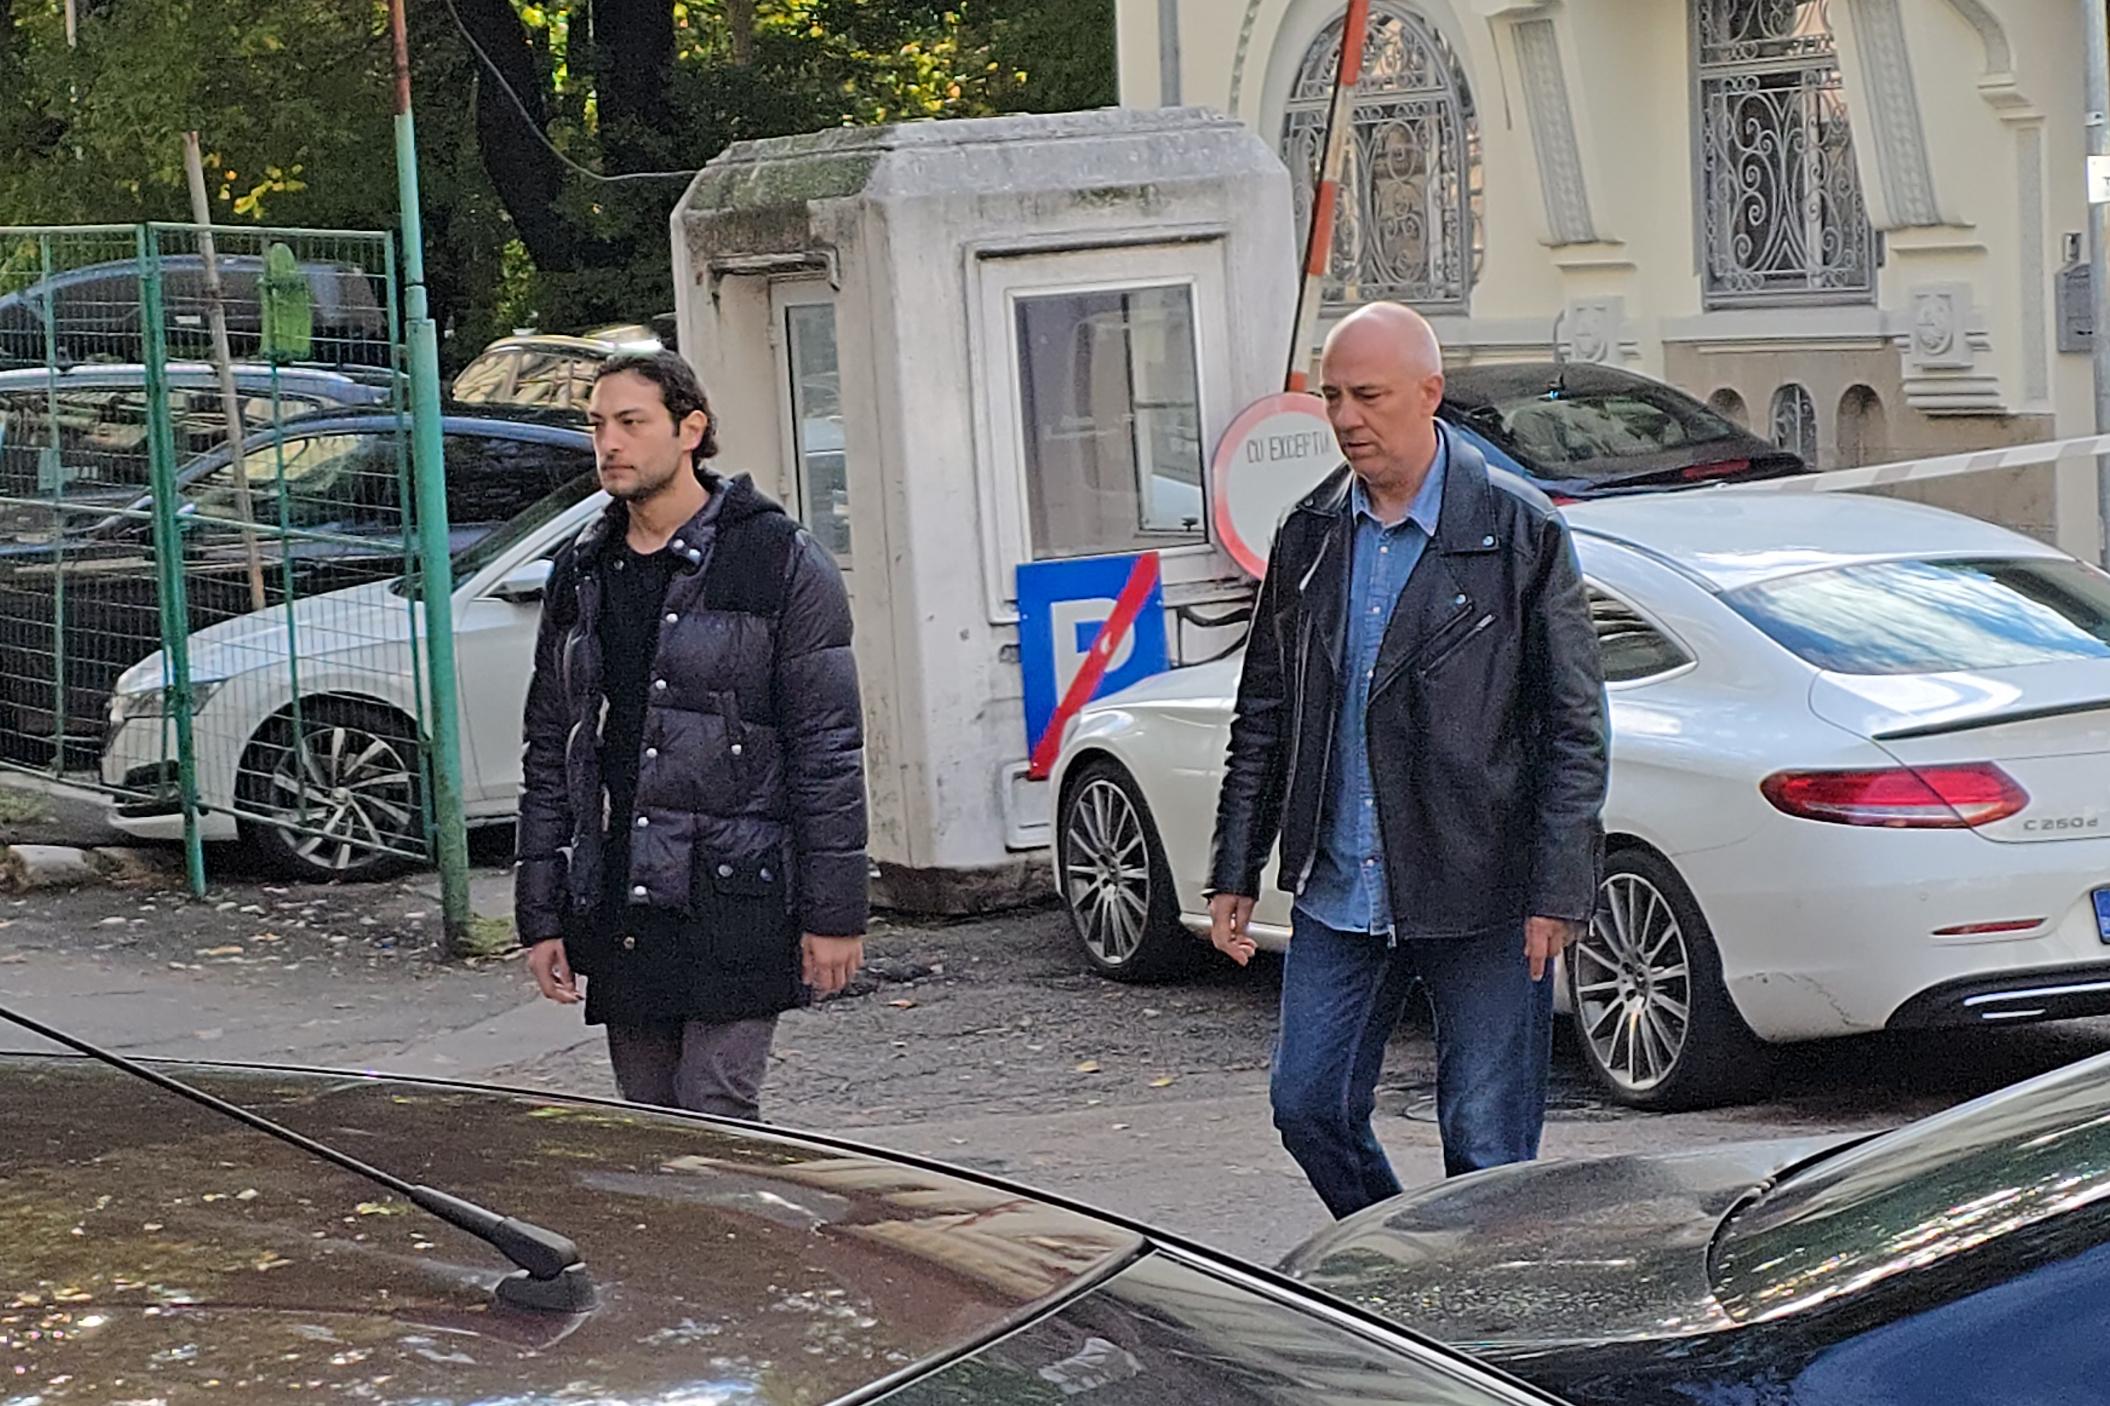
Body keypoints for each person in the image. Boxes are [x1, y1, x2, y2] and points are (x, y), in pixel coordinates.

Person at [1207, 303, 1606, 1218]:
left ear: (1429, 393)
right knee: (1308, 1106)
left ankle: (1476, 1299)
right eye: (1332, 397)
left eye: (1369, 396)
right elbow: (1264, 709)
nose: (1346, 418)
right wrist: (1235, 865)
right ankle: (1400, 1265)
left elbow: (1574, 724)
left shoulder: (1516, 529)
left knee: (1486, 1145)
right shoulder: (1310, 531)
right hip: (1340, 885)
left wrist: (1558, 888)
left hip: (1483, 883)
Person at [515, 349, 869, 1119]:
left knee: (716, 1108)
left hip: (735, 889)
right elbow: (551, 747)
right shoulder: (584, 568)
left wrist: (834, 914)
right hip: (624, 889)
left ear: (690, 430)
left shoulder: (774, 557)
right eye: (597, 425)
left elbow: (827, 748)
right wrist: (540, 915)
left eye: (631, 423)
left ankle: (738, 1208)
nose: (609, 443)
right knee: (648, 1113)